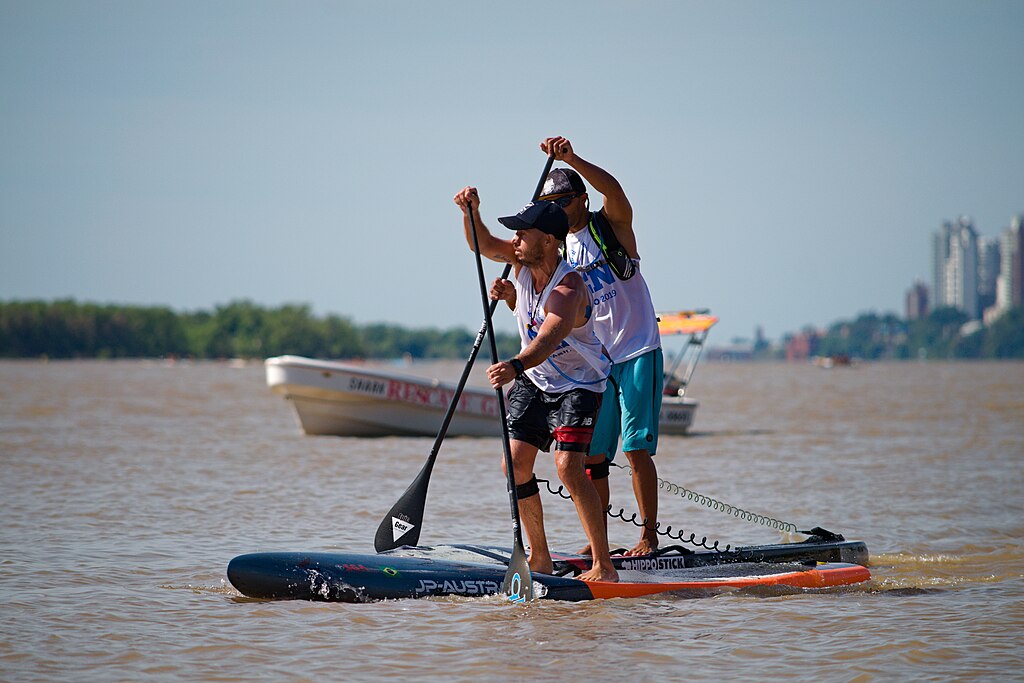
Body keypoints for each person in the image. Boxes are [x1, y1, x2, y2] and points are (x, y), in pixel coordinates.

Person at [453, 187, 618, 583]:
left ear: (548, 240)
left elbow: (550, 336)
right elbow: (484, 243)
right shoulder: (522, 263)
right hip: (536, 380)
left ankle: (604, 565)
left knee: (568, 468)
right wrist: (471, 211)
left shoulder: (569, 286)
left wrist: (514, 363)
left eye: (522, 233)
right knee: (514, 465)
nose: (515, 240)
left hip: (580, 384)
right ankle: (539, 558)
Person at [538, 136, 664, 557]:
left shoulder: (610, 224)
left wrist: (571, 158)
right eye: (550, 204)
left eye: (564, 201)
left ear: (582, 199)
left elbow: (615, 192)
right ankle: (601, 547)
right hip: (598, 362)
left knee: (635, 448)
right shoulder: (557, 252)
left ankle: (648, 536)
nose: (557, 209)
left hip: (638, 349)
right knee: (592, 455)